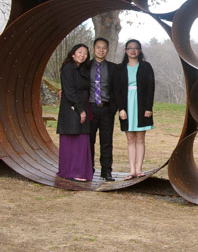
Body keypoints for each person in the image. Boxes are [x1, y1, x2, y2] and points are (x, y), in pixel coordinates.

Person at [114, 39, 155, 180]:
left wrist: (148, 108)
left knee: (140, 138)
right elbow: (117, 91)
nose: (133, 50)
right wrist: (121, 109)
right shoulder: (120, 69)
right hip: (126, 105)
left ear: (140, 50)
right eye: (130, 48)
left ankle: (139, 169)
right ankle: (131, 170)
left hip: (142, 105)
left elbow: (150, 88)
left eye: (136, 48)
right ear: (126, 51)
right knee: (130, 139)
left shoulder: (146, 66)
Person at [56, 44, 94, 182]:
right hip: (72, 107)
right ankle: (71, 172)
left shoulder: (83, 70)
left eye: (85, 53)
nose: (83, 55)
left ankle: (81, 171)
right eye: (80, 52)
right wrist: (81, 111)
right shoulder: (68, 69)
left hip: (83, 104)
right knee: (71, 138)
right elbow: (69, 91)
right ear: (73, 54)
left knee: (82, 140)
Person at [88, 37, 119, 181]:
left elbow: (118, 89)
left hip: (107, 109)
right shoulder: (85, 66)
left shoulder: (114, 68)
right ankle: (88, 169)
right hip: (90, 108)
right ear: (93, 49)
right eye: (98, 47)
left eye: (104, 47)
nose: (101, 50)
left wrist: (115, 108)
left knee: (106, 141)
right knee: (89, 141)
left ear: (107, 50)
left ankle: (106, 171)